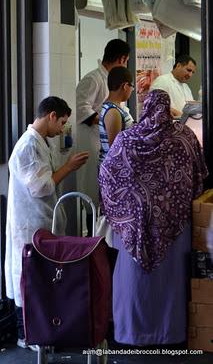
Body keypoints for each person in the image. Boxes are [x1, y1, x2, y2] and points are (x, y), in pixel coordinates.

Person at [99, 89, 207, 346]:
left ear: (146, 107)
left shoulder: (127, 139)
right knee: (170, 283)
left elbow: (107, 175)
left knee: (134, 281)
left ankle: (131, 333)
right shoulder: (184, 137)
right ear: (168, 108)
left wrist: (124, 210)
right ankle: (170, 333)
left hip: (134, 227)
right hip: (174, 226)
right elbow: (199, 175)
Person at [4, 96, 89, 350]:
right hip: (29, 223)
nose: (62, 129)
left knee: (38, 277)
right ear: (51, 115)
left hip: (40, 220)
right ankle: (26, 334)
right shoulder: (28, 146)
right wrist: (69, 167)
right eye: (62, 122)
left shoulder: (40, 142)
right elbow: (41, 186)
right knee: (27, 277)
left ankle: (37, 329)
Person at [76, 39, 130, 235]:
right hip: (92, 143)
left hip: (106, 143)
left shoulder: (111, 79)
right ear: (122, 58)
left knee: (104, 195)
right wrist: (108, 120)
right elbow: (81, 108)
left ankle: (102, 234)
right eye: (126, 61)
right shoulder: (93, 78)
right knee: (92, 192)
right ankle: (93, 237)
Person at [99, 66, 134, 166]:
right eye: (132, 86)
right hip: (113, 170)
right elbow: (115, 149)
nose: (132, 90)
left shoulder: (116, 107)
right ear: (125, 86)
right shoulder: (113, 112)